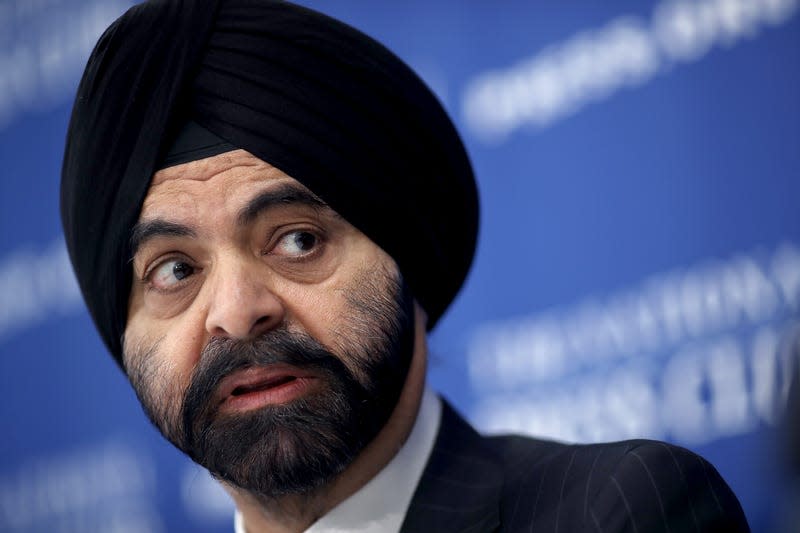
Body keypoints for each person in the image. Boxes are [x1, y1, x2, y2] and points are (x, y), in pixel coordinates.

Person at [60, 1, 750, 531]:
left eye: (297, 240)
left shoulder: (622, 511)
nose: (238, 311)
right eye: (176, 270)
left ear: (407, 257)